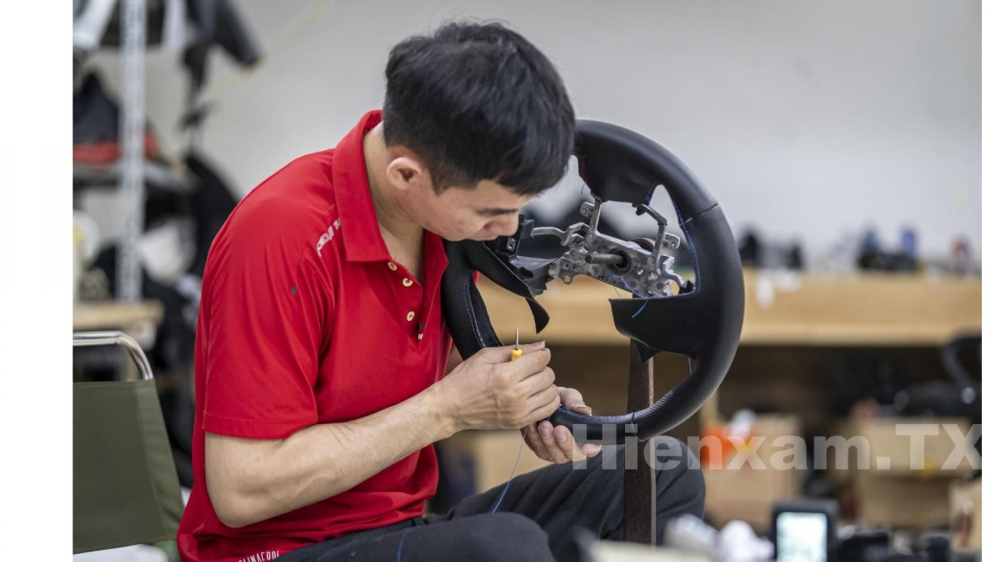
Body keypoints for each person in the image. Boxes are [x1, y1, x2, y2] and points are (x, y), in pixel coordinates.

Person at [176, 21, 704, 562]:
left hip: (396, 528)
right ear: (406, 175)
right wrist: (448, 409)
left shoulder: (442, 227)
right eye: (491, 211)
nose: (508, 227)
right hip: (277, 551)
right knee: (506, 549)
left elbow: (405, 380)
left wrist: (520, 401)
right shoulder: (280, 237)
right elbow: (241, 489)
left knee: (663, 474)